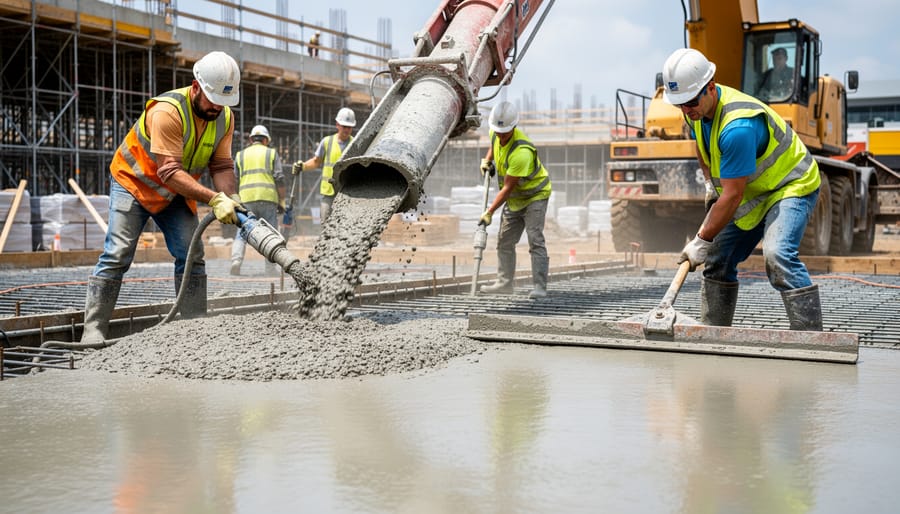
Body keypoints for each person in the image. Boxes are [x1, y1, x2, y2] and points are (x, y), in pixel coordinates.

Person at [80, 51, 244, 345]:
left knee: (192, 254)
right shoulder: (167, 111)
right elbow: (169, 171)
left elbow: (220, 165)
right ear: (196, 87)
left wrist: (231, 197)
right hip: (134, 183)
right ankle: (93, 329)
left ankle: (192, 325)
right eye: (212, 100)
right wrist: (214, 199)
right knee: (118, 253)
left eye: (223, 102)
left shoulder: (224, 118)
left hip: (175, 191)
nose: (217, 107)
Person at [662, 48, 822, 331]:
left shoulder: (738, 127)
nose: (686, 110)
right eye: (680, 105)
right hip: (754, 190)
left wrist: (701, 239)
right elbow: (700, 143)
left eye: (690, 102)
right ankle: (714, 337)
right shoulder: (694, 110)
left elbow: (733, 195)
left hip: (789, 185)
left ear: (710, 87)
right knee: (717, 259)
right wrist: (712, 183)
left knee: (777, 255)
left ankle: (812, 341)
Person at [477, 101, 553, 298]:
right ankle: (504, 283)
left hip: (534, 196)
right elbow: (494, 143)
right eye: (498, 132)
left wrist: (489, 212)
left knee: (535, 239)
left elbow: (508, 189)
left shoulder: (522, 153)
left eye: (505, 133)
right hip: (515, 199)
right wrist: (488, 160)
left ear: (514, 127)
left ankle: (540, 287)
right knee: (504, 241)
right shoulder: (496, 131)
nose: (501, 136)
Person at [230, 124, 286, 276]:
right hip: (268, 198)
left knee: (242, 231)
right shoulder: (271, 153)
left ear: (251, 139)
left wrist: (235, 199)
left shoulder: (240, 155)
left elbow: (234, 179)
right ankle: (269, 268)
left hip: (246, 199)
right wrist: (282, 201)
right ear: (266, 140)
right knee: (270, 234)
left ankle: (236, 261)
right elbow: (279, 178)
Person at [292, 107, 356, 223]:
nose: (347, 129)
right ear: (337, 125)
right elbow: (316, 162)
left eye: (349, 127)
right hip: (329, 193)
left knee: (347, 225)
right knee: (326, 225)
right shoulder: (327, 142)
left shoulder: (356, 143)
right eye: (344, 126)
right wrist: (303, 166)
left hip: (348, 192)